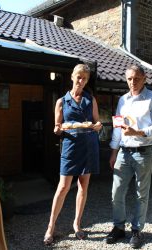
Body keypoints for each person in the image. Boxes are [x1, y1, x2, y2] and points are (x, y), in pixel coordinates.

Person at [105, 65, 152, 248]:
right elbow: (118, 127)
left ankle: (137, 230)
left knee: (141, 194)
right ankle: (118, 227)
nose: (133, 82)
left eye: (137, 78)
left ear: (144, 78)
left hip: (144, 152)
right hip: (123, 151)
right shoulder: (123, 100)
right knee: (117, 192)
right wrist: (114, 152)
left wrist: (137, 132)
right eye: (129, 79)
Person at [43, 64, 103, 245]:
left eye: (85, 78)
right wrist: (59, 128)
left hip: (89, 145)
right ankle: (50, 227)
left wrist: (98, 126)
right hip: (70, 146)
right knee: (63, 187)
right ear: (72, 76)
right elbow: (57, 127)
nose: (81, 81)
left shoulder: (90, 99)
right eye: (79, 77)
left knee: (83, 186)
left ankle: (77, 224)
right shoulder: (62, 101)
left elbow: (97, 121)